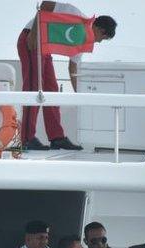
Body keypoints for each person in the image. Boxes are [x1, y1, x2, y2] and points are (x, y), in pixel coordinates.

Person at [18, 2, 117, 151]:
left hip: (45, 47)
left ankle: (56, 137)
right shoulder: (75, 14)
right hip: (31, 39)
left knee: (51, 90)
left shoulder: (83, 40)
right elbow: (45, 5)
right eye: (101, 39)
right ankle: (26, 138)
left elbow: (73, 68)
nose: (98, 42)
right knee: (33, 87)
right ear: (100, 30)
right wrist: (33, 33)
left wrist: (79, 94)